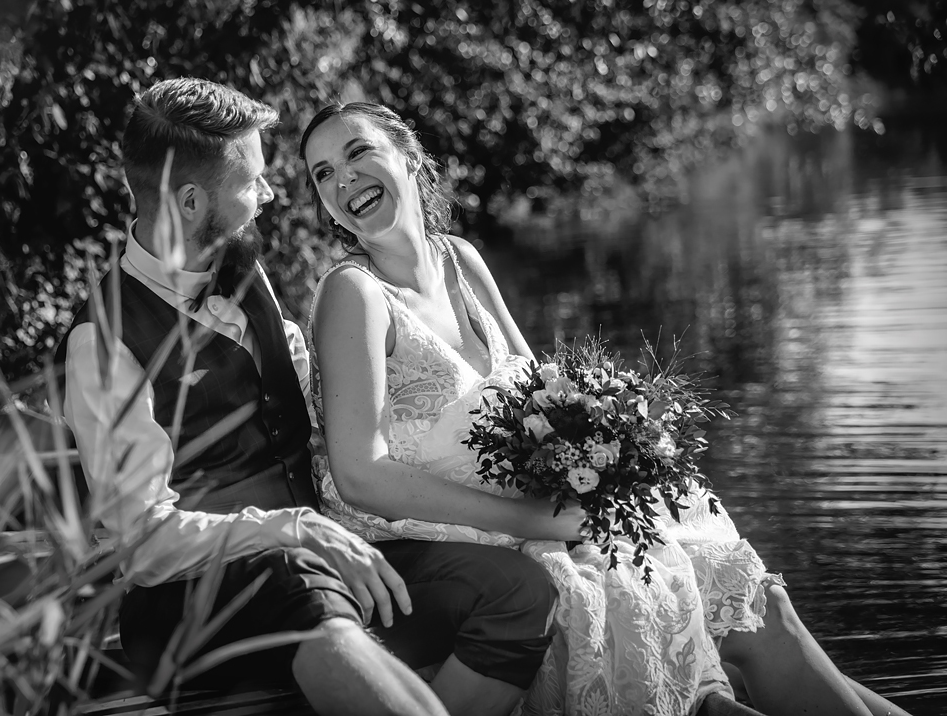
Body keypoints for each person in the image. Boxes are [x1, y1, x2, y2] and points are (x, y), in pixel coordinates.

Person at [299, 101, 913, 716]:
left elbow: (542, 394)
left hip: (536, 509)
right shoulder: (354, 293)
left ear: (409, 157)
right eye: (323, 173)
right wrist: (540, 521)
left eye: (358, 152)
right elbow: (360, 475)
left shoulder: (458, 259)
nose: (344, 180)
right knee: (649, 607)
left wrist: (609, 455)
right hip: (446, 534)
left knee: (757, 600)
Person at [61, 78, 559, 716]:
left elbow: (314, 410)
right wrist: (290, 529)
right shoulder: (104, 343)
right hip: (189, 605)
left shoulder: (245, 273)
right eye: (252, 183)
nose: (270, 196)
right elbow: (143, 541)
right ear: (189, 201)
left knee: (518, 591)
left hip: (325, 563)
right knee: (297, 580)